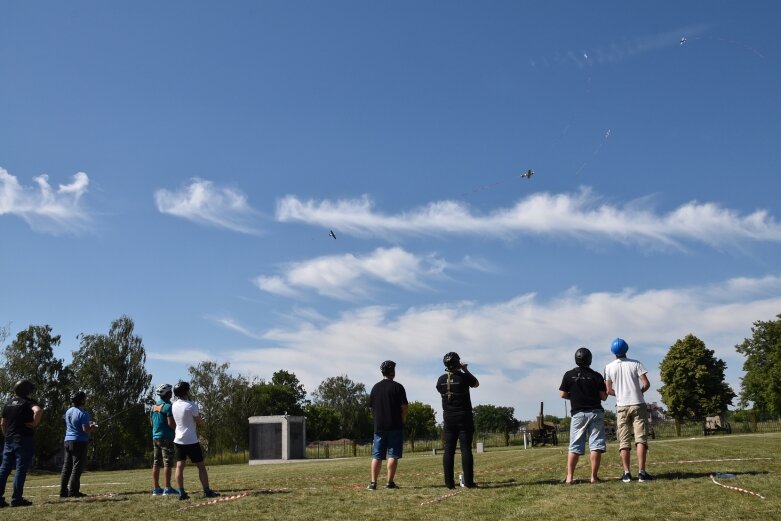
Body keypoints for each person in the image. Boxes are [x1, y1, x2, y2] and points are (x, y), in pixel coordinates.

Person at [604, 337, 654, 483]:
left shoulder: (608, 367)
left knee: (624, 441)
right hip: (638, 403)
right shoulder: (636, 363)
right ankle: (642, 473)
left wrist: (618, 393)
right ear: (626, 349)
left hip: (621, 406)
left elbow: (608, 390)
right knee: (640, 439)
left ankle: (626, 473)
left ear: (613, 351)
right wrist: (640, 391)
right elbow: (646, 383)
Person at [559, 347, 608, 484]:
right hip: (595, 413)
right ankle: (594, 477)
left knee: (574, 446)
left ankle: (569, 477)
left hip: (578, 414)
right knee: (596, 445)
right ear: (590, 360)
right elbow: (603, 397)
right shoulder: (597, 376)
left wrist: (574, 397)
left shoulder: (568, 375)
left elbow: (562, 394)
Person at [436, 352, 479, 489]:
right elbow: (476, 383)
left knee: (449, 450)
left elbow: (439, 389)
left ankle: (449, 483)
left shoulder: (440, 379)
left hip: (448, 418)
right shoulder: (463, 378)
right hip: (464, 416)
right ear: (457, 363)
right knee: (466, 449)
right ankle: (469, 482)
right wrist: (465, 369)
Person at [171, 381, 219, 500]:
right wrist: (204, 422)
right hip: (191, 440)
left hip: (178, 439)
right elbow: (198, 421)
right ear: (186, 392)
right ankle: (207, 491)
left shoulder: (174, 405)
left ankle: (182, 493)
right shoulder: (191, 405)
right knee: (201, 466)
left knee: (179, 467)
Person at [0, 379, 43, 508]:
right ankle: (16, 499)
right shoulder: (28, 402)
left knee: (4, 469)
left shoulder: (8, 404)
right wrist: (34, 423)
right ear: (27, 390)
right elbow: (38, 410)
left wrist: (6, 435)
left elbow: (2, 423)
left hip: (9, 439)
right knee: (20, 469)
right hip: (23, 439)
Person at [367, 360, 408, 490]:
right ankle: (389, 482)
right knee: (393, 455)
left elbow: (371, 408)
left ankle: (373, 483)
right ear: (392, 371)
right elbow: (404, 407)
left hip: (379, 427)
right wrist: (402, 418)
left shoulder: (375, 388)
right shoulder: (398, 387)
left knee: (377, 455)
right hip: (395, 425)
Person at [60, 391, 98, 498]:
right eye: (84, 398)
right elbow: (85, 429)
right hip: (79, 442)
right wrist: (93, 427)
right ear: (82, 400)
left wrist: (88, 425)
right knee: (77, 467)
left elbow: (74, 424)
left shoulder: (68, 411)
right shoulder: (83, 413)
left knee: (66, 467)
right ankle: (73, 492)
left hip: (67, 441)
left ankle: (63, 491)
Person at [150, 383, 177, 496]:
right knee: (167, 463)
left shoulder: (154, 407)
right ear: (168, 394)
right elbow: (171, 423)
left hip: (155, 437)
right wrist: (177, 430)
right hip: (166, 437)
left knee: (156, 463)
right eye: (171, 392)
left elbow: (151, 423)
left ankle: (156, 488)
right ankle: (167, 488)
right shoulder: (168, 406)